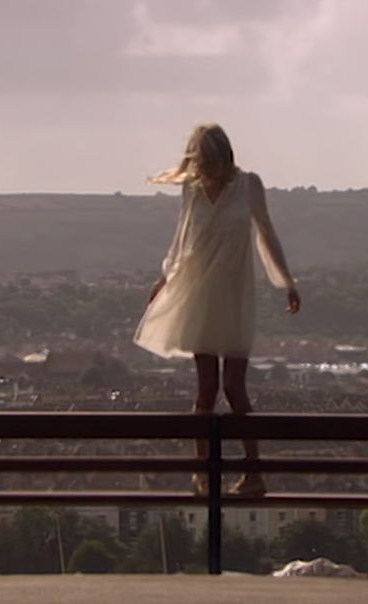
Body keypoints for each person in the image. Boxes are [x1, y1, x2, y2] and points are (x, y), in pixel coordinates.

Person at [133, 123, 300, 496]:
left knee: (234, 387)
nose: (210, 172)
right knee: (206, 388)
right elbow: (181, 240)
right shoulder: (192, 190)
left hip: (234, 291)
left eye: (214, 163)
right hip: (198, 290)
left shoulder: (249, 185)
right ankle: (203, 474)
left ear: (227, 157)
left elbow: (266, 234)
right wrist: (164, 280)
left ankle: (253, 473)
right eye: (204, 165)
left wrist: (286, 281)